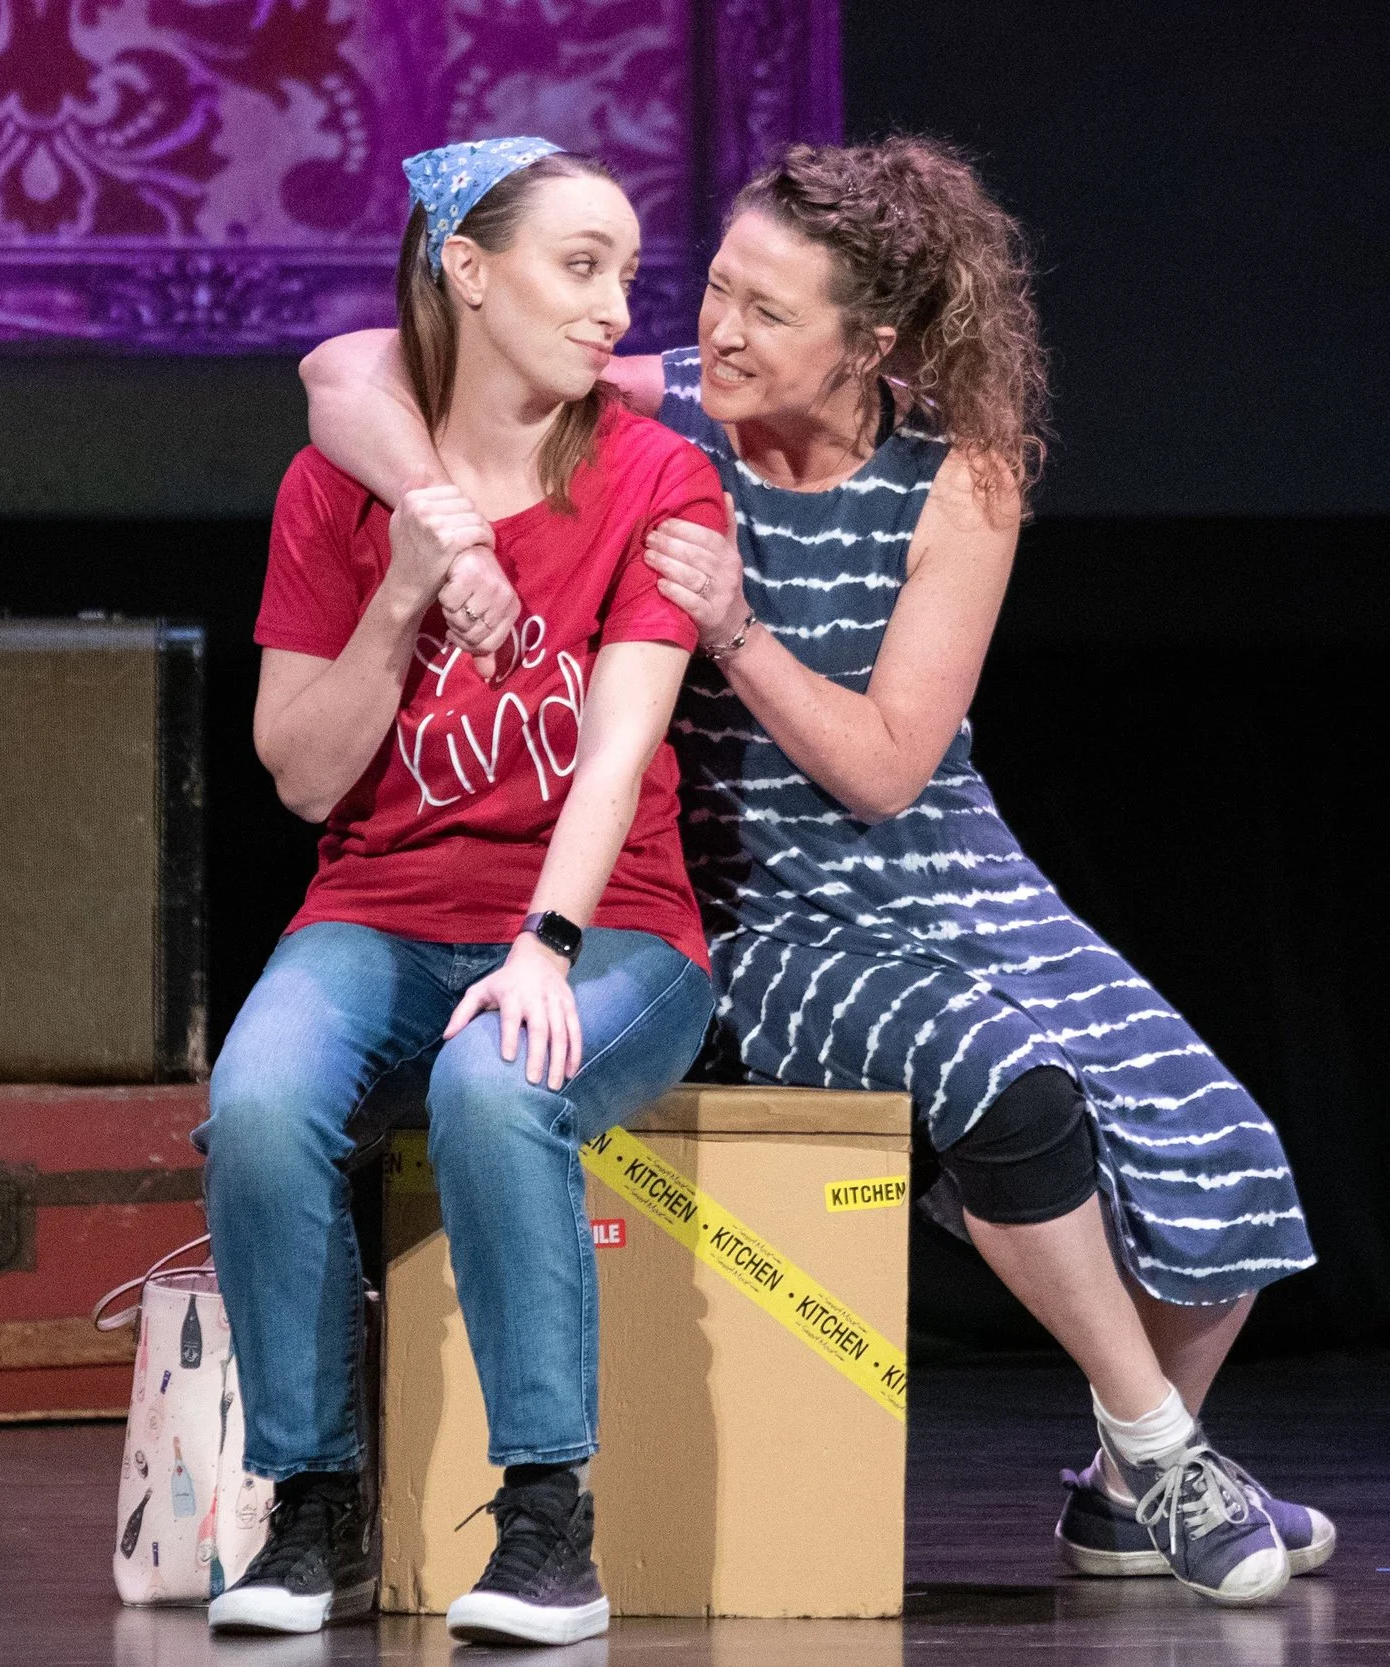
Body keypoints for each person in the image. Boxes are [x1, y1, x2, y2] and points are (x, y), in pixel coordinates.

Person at [299, 136, 1330, 1608]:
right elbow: (345, 369)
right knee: (1009, 1083)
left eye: (768, 312)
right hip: (762, 902)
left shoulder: (958, 476)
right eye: (717, 287)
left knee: (1221, 1147)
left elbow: (889, 766)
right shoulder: (666, 414)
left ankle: (1118, 1497)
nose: (716, 327)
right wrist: (439, 513)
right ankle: (1165, 1446)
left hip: (952, 869)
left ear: (877, 340)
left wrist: (741, 633)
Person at [199, 137, 722, 1646]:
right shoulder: (340, 489)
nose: (618, 302)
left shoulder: (653, 474)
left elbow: (619, 754)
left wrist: (549, 945)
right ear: (469, 275)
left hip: (608, 916)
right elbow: (301, 776)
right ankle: (313, 1508)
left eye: (628, 267)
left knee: (500, 1084)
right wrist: (407, 586)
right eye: (582, 265)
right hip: (377, 904)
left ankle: (551, 1521)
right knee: (258, 1097)